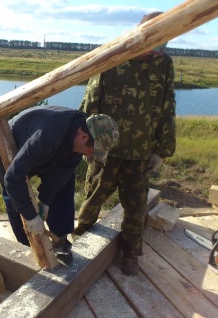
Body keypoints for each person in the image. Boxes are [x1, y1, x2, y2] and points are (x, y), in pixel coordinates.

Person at [74, 11, 176, 275]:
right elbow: (90, 101)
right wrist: (88, 142)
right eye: (154, 42)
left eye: (162, 43)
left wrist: (162, 151)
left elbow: (167, 106)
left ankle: (131, 253)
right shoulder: (113, 56)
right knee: (94, 197)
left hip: (141, 151)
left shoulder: (164, 64)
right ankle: (79, 240)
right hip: (106, 150)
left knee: (136, 206)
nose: (157, 50)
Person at [0, 105, 119, 264]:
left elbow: (59, 177)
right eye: (93, 150)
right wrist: (31, 217)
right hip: (11, 143)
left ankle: (60, 240)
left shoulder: (81, 135)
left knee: (64, 184)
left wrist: (45, 202)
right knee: (13, 196)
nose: (91, 155)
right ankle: (27, 244)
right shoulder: (47, 136)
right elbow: (12, 179)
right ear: (84, 137)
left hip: (48, 149)